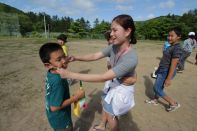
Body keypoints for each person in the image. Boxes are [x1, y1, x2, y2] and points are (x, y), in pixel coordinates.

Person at [56, 14, 138, 131]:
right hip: (113, 83)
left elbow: (103, 77)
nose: (111, 33)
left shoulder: (131, 58)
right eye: (111, 30)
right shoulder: (114, 47)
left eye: (115, 30)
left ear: (127, 31)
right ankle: (102, 126)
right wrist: (76, 57)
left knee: (112, 116)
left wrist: (70, 74)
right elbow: (95, 55)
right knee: (107, 108)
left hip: (120, 89)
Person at [39, 42, 85, 131]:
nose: (64, 61)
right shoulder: (57, 80)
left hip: (54, 118)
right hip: (62, 121)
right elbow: (54, 107)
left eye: (64, 56)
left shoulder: (52, 73)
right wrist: (76, 97)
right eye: (59, 59)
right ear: (48, 65)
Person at [145, 27, 182, 112]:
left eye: (172, 36)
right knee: (159, 87)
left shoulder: (177, 48)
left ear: (179, 37)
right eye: (168, 35)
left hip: (166, 71)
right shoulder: (171, 46)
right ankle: (155, 100)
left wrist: (168, 79)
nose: (169, 37)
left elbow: (174, 64)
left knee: (156, 88)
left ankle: (173, 103)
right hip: (162, 70)